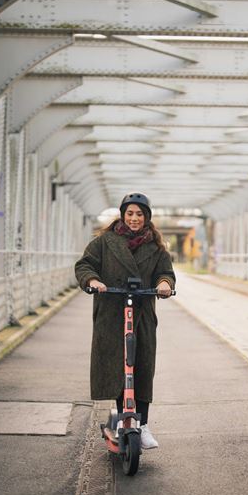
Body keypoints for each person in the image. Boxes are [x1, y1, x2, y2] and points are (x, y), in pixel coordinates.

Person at [75, 192, 175, 449]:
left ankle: (142, 424)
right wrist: (93, 280)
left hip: (142, 314)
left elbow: (165, 272)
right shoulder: (105, 242)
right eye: (129, 213)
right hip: (112, 312)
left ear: (146, 217)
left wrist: (164, 283)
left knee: (142, 366)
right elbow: (85, 265)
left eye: (139, 214)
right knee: (119, 366)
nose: (134, 218)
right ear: (122, 215)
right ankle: (122, 419)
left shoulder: (156, 247)